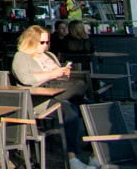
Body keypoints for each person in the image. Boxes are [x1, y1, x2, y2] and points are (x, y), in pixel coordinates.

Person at [12, 25, 93, 169]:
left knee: (91, 107)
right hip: (39, 100)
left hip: (59, 93)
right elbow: (25, 79)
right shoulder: (21, 57)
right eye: (42, 42)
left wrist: (63, 73)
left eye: (47, 42)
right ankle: (72, 158)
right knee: (70, 111)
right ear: (31, 41)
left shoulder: (49, 55)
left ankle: (95, 153)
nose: (45, 45)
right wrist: (52, 74)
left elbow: (58, 78)